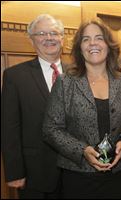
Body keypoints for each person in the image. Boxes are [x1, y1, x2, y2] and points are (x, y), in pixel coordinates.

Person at [42, 19, 121, 199]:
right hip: (79, 177)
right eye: (86, 39)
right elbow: (51, 129)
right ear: (80, 48)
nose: (93, 43)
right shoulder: (65, 82)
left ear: (109, 45)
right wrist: (82, 150)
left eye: (99, 38)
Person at [1, 14, 64, 198]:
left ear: (62, 38)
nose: (49, 38)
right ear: (31, 40)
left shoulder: (78, 74)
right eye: (41, 33)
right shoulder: (15, 76)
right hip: (34, 174)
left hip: (74, 173)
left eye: (54, 33)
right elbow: (9, 127)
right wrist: (15, 172)